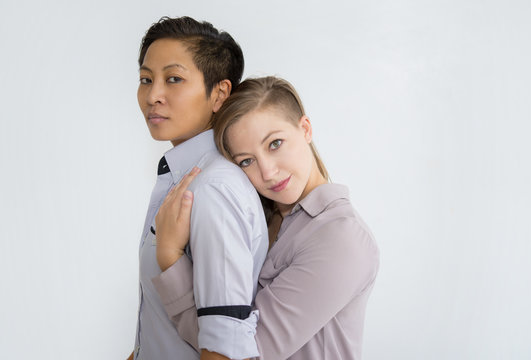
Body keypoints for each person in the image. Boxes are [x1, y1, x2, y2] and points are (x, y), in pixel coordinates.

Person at [153, 76, 380, 359]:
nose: (268, 172)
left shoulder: (340, 238)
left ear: (305, 128)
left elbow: (240, 352)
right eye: (247, 160)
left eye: (275, 144)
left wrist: (170, 257)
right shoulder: (260, 217)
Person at [128, 17, 268, 360]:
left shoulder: (213, 188)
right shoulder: (186, 176)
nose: (153, 95)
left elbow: (226, 349)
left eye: (173, 79)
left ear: (219, 93)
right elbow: (159, 328)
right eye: (146, 79)